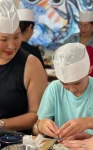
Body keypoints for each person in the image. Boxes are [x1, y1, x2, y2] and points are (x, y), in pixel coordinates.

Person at [34, 42, 93, 138]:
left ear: (89, 70)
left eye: (77, 83)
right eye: (65, 84)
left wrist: (87, 122)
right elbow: (38, 125)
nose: (72, 89)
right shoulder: (55, 88)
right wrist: (41, 126)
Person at [0, 0, 47, 134]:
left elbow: (36, 115)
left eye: (16, 37)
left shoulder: (31, 64)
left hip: (15, 140)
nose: (11, 45)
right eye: (4, 39)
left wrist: (2, 124)